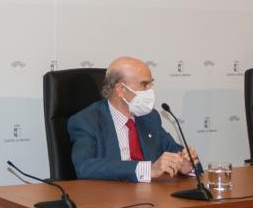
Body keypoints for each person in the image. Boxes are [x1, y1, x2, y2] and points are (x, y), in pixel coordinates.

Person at [67, 56, 200, 181]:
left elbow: (176, 151)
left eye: (150, 84)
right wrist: (148, 169)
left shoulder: (150, 117)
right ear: (121, 90)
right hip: (109, 199)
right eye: (144, 84)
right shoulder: (86, 121)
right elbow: (84, 167)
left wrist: (186, 165)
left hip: (151, 199)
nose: (150, 91)